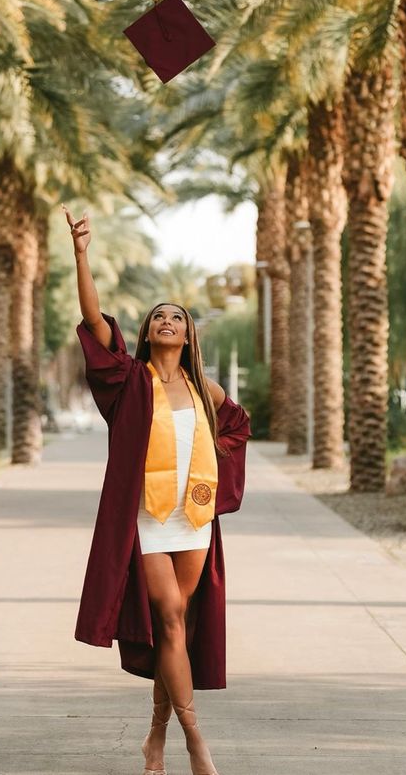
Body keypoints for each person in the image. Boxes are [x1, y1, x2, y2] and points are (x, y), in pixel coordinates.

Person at [63, 205, 251, 775]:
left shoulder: (202, 386)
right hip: (143, 518)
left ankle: (155, 737)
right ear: (146, 332)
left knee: (180, 626)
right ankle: (198, 741)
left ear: (189, 332)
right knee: (168, 614)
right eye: (158, 316)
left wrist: (217, 466)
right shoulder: (127, 379)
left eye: (178, 316)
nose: (167, 320)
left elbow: (238, 426)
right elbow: (95, 321)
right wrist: (81, 253)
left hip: (190, 518)